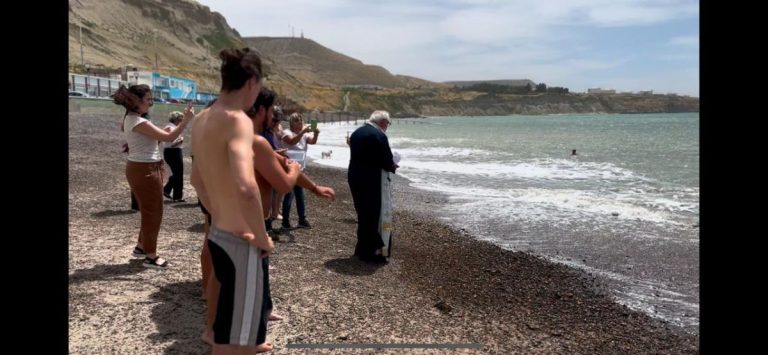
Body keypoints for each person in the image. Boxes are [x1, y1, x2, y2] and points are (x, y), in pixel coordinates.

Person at [190, 47, 274, 353]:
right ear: (251, 81)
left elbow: (196, 180)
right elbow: (247, 187)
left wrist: (219, 214)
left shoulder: (202, 118)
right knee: (241, 344)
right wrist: (262, 238)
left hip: (217, 235)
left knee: (228, 331)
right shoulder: (237, 120)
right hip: (242, 242)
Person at [113, 84, 192, 269]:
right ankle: (151, 256)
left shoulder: (131, 119)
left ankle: (141, 247)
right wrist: (186, 120)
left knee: (148, 210)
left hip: (141, 167)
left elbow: (157, 136)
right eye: (148, 99)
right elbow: (168, 137)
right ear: (136, 102)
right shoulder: (139, 122)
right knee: (153, 212)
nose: (151, 102)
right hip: (145, 170)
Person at [347, 110, 398, 263]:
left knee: (362, 214)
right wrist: (393, 166)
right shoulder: (380, 136)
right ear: (383, 122)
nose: (387, 127)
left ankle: (361, 248)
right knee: (374, 216)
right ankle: (371, 252)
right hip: (372, 181)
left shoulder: (357, 132)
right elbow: (387, 161)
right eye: (388, 124)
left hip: (355, 177)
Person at [279, 113, 319, 229]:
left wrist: (316, 133)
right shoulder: (287, 133)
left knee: (300, 195)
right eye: (297, 121)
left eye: (300, 121)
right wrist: (302, 132)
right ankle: (285, 222)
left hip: (300, 169)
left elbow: (312, 141)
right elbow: (292, 142)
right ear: (291, 123)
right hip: (289, 169)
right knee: (289, 196)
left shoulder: (304, 135)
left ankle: (302, 219)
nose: (300, 123)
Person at [162, 111, 186, 202]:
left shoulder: (170, 127)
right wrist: (179, 141)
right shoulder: (171, 128)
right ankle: (177, 196)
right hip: (174, 152)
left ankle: (167, 190)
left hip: (171, 152)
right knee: (178, 174)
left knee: (176, 174)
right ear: (177, 119)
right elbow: (171, 142)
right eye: (181, 119)